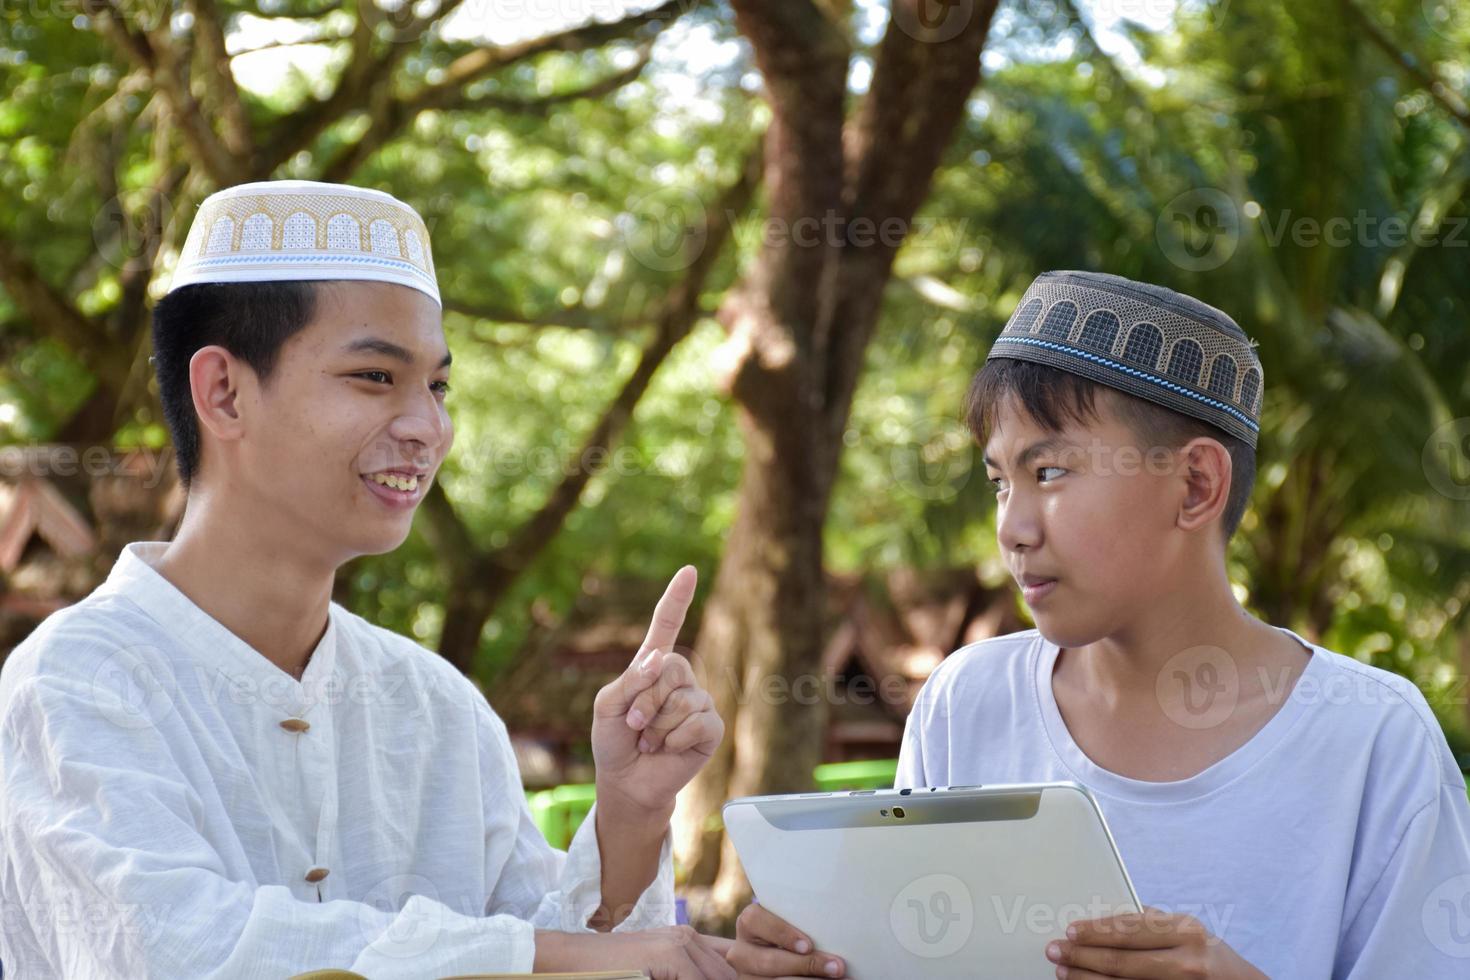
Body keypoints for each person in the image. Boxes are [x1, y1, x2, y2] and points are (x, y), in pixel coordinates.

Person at [0, 180, 733, 979]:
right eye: (376, 378)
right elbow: (176, 950)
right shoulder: (79, 682)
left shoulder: (436, 705)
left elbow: (557, 956)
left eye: (438, 386)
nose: (429, 427)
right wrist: (530, 954)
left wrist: (629, 814)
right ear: (223, 391)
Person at [726, 270, 1470, 978]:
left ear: (1196, 484)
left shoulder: (1371, 738)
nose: (1012, 528)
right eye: (999, 482)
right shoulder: (969, 703)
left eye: (1050, 473)